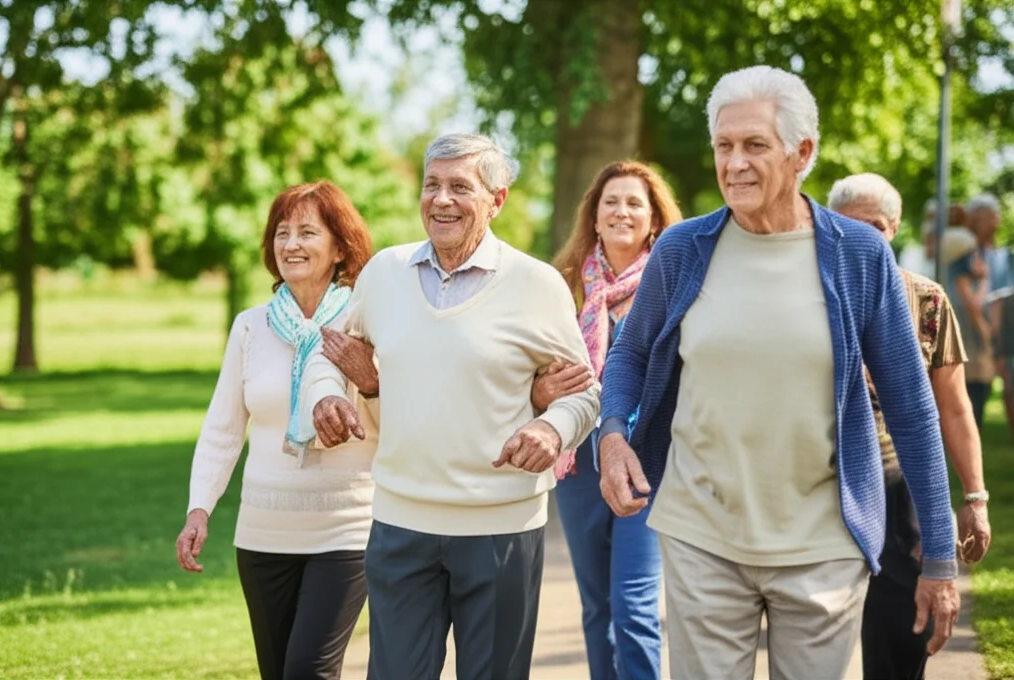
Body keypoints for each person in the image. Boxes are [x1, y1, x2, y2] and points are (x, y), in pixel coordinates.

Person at [597, 65, 960, 680]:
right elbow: (629, 354)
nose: (734, 162)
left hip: (823, 544)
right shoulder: (682, 249)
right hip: (701, 532)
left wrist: (941, 558)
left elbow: (912, 406)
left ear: (803, 153)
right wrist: (611, 433)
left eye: (754, 145)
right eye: (724, 145)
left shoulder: (859, 254)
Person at [309, 133, 600, 680]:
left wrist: (552, 430)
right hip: (400, 522)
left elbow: (583, 392)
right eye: (432, 185)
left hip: (502, 528)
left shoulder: (537, 284)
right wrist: (326, 392)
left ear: (498, 199)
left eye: (460, 187)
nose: (441, 200)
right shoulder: (384, 275)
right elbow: (333, 352)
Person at [176, 181, 377, 680]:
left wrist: (367, 382)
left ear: (339, 248)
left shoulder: (367, 321)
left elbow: (400, 418)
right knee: (276, 672)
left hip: (347, 530)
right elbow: (223, 430)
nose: (290, 244)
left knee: (309, 669)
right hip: (263, 533)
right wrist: (198, 509)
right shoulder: (251, 326)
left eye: (308, 232)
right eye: (281, 233)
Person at [828, 173, 992, 680]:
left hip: (900, 483)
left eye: (876, 226)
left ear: (894, 228)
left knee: (902, 634)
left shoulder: (927, 300)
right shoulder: (807, 295)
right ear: (831, 227)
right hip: (819, 480)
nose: (865, 238)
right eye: (851, 226)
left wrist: (975, 499)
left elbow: (956, 407)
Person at [530, 160, 682, 680]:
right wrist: (541, 389)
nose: (622, 211)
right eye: (610, 202)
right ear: (593, 217)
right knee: (597, 607)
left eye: (634, 202)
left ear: (654, 219)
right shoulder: (563, 288)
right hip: (578, 466)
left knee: (635, 606)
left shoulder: (674, 283)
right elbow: (530, 372)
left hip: (647, 459)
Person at [947, 195, 1001, 429]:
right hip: (969, 330)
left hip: (977, 330)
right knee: (972, 388)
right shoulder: (965, 249)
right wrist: (988, 334)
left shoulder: (985, 252)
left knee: (979, 387)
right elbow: (971, 302)